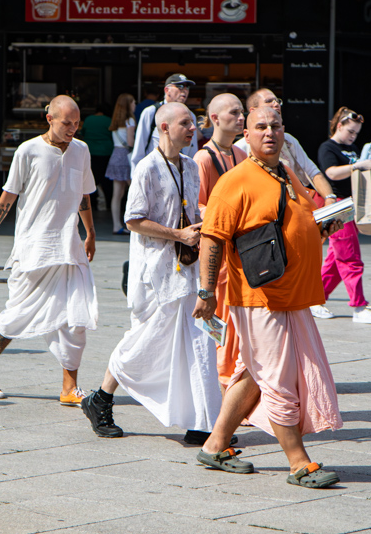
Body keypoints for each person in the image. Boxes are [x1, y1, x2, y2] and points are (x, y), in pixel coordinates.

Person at [194, 106, 344, 488]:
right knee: (278, 377)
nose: (269, 133)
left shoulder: (286, 173)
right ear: (246, 133)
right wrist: (206, 292)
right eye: (260, 127)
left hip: (292, 296)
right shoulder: (236, 180)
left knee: (257, 374)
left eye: (275, 126)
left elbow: (296, 224)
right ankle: (298, 462)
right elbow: (212, 239)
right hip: (260, 297)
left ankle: (214, 446)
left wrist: (324, 228)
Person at [81, 102, 221, 443]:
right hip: (157, 273)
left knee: (197, 342)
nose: (193, 129)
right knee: (144, 341)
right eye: (185, 123)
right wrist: (178, 234)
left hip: (186, 268)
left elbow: (188, 206)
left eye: (194, 123)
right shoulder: (146, 168)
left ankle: (201, 423)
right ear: (164, 128)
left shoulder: (190, 166)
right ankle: (100, 398)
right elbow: (133, 219)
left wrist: (206, 218)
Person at [0, 96, 98, 405]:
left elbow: (84, 195)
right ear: (48, 118)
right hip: (34, 248)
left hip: (69, 248)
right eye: (66, 123)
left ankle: (69, 387)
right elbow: (7, 198)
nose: (72, 129)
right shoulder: (28, 151)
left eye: (76, 123)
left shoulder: (81, 150)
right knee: (17, 313)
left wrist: (91, 231)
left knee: (74, 319)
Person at [310, 107, 371, 324]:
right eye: (350, 131)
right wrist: (358, 165)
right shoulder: (328, 147)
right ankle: (359, 307)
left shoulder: (350, 147)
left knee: (336, 259)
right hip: (337, 205)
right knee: (349, 256)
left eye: (356, 133)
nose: (353, 136)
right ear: (339, 125)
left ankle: (315, 300)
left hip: (348, 204)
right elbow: (331, 172)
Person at [193, 93, 247, 391]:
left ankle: (233, 383)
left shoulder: (240, 154)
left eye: (241, 112)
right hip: (219, 256)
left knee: (236, 323)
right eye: (233, 112)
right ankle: (223, 386)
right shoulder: (204, 157)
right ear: (215, 118)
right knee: (222, 321)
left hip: (238, 253)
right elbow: (197, 208)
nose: (240, 117)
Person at [235, 88, 339, 206]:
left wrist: (330, 199)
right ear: (247, 135)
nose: (276, 104)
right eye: (269, 101)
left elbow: (313, 172)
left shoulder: (289, 140)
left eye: (275, 127)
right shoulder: (239, 149)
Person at [130, 74, 199, 172]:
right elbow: (139, 149)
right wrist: (136, 177)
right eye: (179, 86)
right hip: (155, 173)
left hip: (182, 173)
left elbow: (193, 149)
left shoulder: (191, 115)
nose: (184, 90)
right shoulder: (151, 112)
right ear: (167, 90)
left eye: (187, 87)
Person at [104, 93, 136, 235]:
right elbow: (130, 142)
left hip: (115, 156)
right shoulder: (130, 120)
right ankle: (135, 223)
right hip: (127, 157)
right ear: (128, 105)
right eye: (133, 102)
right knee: (135, 191)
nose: (135, 105)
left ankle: (116, 225)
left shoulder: (115, 121)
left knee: (117, 195)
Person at [81, 105, 114, 212]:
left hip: (90, 151)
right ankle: (108, 203)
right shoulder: (108, 120)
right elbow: (111, 134)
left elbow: (83, 132)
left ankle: (93, 203)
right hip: (105, 151)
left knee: (91, 178)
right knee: (106, 180)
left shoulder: (89, 119)